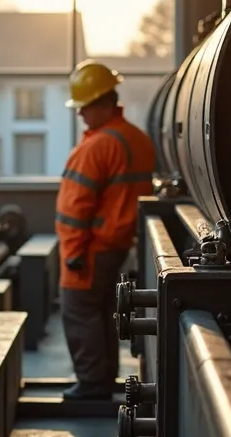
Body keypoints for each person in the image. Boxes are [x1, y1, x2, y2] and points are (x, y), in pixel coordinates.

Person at [54, 60, 156, 401]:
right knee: (100, 313)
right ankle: (102, 377)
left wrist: (73, 253)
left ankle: (93, 384)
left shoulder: (97, 146)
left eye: (85, 107)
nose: (81, 115)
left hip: (89, 248)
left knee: (79, 311)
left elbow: (75, 209)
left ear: (103, 103)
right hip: (117, 244)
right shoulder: (137, 139)